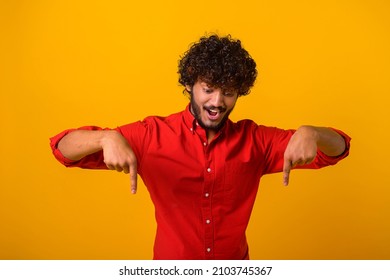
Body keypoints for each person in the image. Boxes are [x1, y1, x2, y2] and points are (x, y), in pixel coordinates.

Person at [50, 34, 351, 260]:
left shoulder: (255, 140)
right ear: (189, 86)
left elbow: (337, 149)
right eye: (208, 89)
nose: (217, 102)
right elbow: (62, 148)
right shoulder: (152, 134)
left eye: (229, 92)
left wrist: (314, 133)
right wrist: (104, 138)